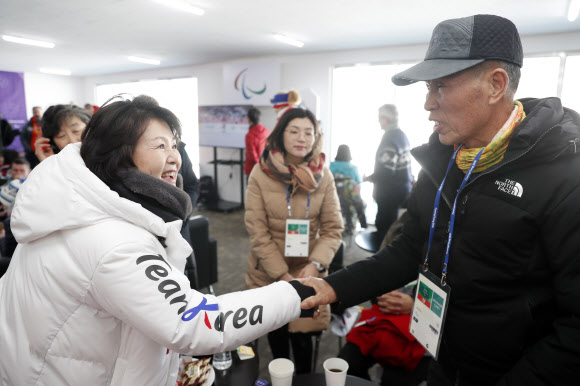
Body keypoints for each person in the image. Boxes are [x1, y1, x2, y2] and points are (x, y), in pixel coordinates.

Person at [300, 14, 580, 385]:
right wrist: (335, 287)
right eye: (427, 88)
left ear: (496, 84)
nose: (428, 104)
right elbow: (411, 247)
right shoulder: (443, 160)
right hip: (443, 359)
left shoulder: (565, 175)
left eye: (441, 87)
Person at [0, 95, 316, 385]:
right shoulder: (113, 240)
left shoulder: (81, 205)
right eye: (160, 146)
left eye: (175, 145)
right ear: (118, 154)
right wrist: (295, 294)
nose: (175, 157)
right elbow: (193, 324)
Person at [245, 107, 343, 374]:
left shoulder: (324, 176)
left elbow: (334, 229)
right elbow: (258, 232)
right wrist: (283, 277)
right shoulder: (260, 173)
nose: (302, 138)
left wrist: (315, 265)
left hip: (307, 274)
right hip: (268, 273)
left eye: (308, 132)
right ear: (280, 135)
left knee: (303, 342)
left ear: (316, 136)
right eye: (294, 131)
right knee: (277, 339)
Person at [365, 104, 413, 243]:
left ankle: (381, 261)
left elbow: (386, 171)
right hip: (402, 190)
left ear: (385, 119)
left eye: (380, 118)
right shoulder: (401, 136)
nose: (379, 121)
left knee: (384, 229)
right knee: (394, 229)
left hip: (389, 194)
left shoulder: (389, 138)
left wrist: (369, 178)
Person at [330, 144, 367, 232]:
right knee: (362, 204)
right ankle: (361, 225)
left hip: (332, 203)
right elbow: (358, 183)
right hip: (349, 207)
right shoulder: (353, 169)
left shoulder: (331, 166)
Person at [244, 107, 270, 177]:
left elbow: (252, 154)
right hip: (266, 168)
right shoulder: (267, 132)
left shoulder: (249, 135)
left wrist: (259, 166)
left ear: (249, 119)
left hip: (252, 169)